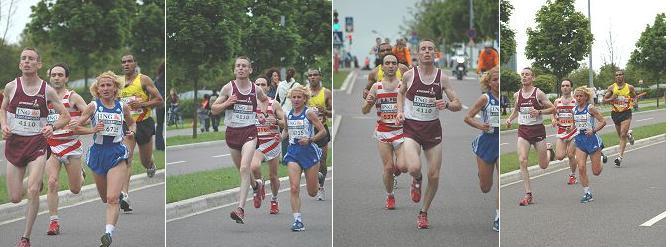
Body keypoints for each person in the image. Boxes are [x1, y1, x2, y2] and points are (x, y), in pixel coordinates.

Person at [1, 48, 70, 247]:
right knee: (14, 197)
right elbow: (3, 109)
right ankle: (35, 181)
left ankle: (25, 238)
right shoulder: (11, 87)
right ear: (19, 64)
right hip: (15, 144)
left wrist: (52, 126)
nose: (27, 62)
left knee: (32, 190)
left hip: (37, 144)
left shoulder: (46, 90)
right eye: (24, 59)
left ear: (39, 64)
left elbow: (65, 116)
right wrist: (4, 125)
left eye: (31, 59)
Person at [396, 40, 462, 229]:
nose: (426, 52)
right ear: (417, 54)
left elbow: (457, 103)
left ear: (435, 54)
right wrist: (400, 111)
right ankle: (416, 180)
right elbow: (400, 93)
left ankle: (423, 212)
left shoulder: (442, 78)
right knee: (414, 167)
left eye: (430, 49)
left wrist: (447, 105)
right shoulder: (410, 75)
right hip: (411, 128)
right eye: (423, 49)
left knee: (434, 175)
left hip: (432, 130)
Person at [78, 71, 136, 247]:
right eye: (102, 85)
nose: (105, 88)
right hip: (98, 154)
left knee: (112, 200)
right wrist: (93, 130)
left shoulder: (122, 106)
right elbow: (78, 127)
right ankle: (117, 193)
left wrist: (132, 131)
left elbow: (132, 122)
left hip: (117, 153)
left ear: (115, 87)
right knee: (105, 197)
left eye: (109, 85)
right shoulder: (93, 106)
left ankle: (108, 234)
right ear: (97, 88)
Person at [211, 56, 269, 224]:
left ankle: (240, 209)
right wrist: (227, 102)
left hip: (249, 132)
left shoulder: (255, 89)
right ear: (234, 69)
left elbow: (264, 100)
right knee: (243, 171)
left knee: (245, 167)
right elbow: (214, 109)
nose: (241, 68)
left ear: (250, 70)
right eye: (238, 66)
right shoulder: (228, 88)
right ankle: (257, 186)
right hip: (232, 133)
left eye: (244, 66)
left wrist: (263, 113)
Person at [44, 63, 87, 236]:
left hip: (71, 146)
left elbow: (88, 112)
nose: (56, 78)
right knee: (52, 181)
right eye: (53, 75)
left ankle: (81, 175)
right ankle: (54, 222)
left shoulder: (73, 97)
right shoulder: (44, 97)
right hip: (51, 145)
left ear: (66, 78)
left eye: (60, 75)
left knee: (75, 189)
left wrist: (80, 121)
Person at [119, 54, 163, 213]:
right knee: (126, 159)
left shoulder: (143, 80)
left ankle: (150, 164)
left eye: (129, 61)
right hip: (127, 124)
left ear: (135, 63)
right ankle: (124, 195)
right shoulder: (118, 83)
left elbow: (159, 100)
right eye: (123, 62)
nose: (126, 64)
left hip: (143, 123)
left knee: (144, 161)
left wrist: (142, 103)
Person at [504, 67, 555, 206]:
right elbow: (516, 110)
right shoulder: (517, 95)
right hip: (523, 131)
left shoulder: (538, 93)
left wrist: (539, 112)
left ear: (533, 77)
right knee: (522, 160)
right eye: (522, 75)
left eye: (527, 75)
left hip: (538, 131)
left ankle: (549, 151)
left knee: (543, 165)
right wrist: (509, 119)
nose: (524, 77)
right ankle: (528, 194)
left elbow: (553, 108)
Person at [362, 55, 406, 210]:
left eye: (394, 63)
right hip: (383, 132)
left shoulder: (403, 85)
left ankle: (399, 168)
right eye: (387, 63)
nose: (391, 66)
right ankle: (390, 196)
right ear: (382, 67)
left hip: (401, 131)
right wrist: (368, 103)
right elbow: (364, 110)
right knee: (388, 168)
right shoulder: (376, 87)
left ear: (398, 66)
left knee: (404, 166)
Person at [282, 85, 327, 231]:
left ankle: (318, 176)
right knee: (294, 188)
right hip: (293, 153)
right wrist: (278, 138)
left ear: (304, 99)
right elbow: (286, 132)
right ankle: (297, 221)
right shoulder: (287, 114)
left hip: (308, 152)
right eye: (293, 97)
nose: (296, 100)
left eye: (299, 97)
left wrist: (310, 139)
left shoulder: (309, 113)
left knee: (312, 192)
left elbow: (323, 131)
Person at [464, 67, 499, 232]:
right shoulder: (485, 98)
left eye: (500, 80)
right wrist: (481, 125)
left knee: (500, 182)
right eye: (495, 80)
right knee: (486, 187)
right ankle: (482, 174)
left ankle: (498, 217)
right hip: (487, 142)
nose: (498, 83)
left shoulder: (506, 98)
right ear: (489, 83)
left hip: (499, 140)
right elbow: (467, 117)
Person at [250, 77, 285, 214]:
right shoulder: (251, 104)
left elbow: (284, 123)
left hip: (272, 141)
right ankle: (259, 183)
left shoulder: (274, 103)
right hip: (257, 142)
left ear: (267, 87)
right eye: (257, 84)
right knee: (254, 166)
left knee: (273, 176)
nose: (259, 86)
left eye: (262, 84)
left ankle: (274, 199)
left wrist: (275, 120)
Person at [571, 86, 606, 203]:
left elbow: (603, 121)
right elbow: (574, 125)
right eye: (577, 96)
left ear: (586, 97)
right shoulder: (574, 110)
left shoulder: (590, 108)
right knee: (581, 167)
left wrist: (593, 130)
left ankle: (601, 157)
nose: (579, 98)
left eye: (581, 96)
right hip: (580, 140)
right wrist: (568, 130)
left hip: (591, 140)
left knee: (596, 172)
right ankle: (587, 193)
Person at [307, 69, 332, 201]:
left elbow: (333, 112)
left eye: (315, 75)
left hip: (322, 130)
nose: (312, 77)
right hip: (307, 130)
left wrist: (326, 112)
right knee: (309, 161)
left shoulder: (326, 93)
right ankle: (312, 182)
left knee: (322, 160)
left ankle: (321, 187)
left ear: (320, 77)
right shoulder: (304, 92)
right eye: (310, 75)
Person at [602, 70, 636, 167]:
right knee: (621, 135)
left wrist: (632, 100)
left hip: (626, 113)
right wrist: (612, 98)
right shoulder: (612, 87)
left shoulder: (629, 87)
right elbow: (604, 100)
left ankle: (619, 158)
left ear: (623, 76)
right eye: (616, 75)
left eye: (620, 74)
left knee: (622, 134)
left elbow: (634, 96)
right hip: (615, 113)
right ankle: (629, 134)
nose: (618, 76)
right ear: (615, 77)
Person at [552, 79, 579, 184]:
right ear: (561, 88)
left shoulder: (576, 101)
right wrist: (553, 119)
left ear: (571, 87)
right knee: (559, 157)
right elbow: (553, 112)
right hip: (562, 131)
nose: (565, 87)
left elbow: (580, 115)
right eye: (563, 86)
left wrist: (573, 125)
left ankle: (572, 176)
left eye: (567, 85)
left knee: (571, 154)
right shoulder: (557, 101)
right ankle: (550, 150)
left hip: (574, 131)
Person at [275, 68, 301, 158]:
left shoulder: (297, 85)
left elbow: (276, 99)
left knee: (292, 134)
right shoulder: (281, 84)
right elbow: (277, 98)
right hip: (284, 112)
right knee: (286, 133)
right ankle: (286, 156)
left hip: (292, 112)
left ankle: (291, 155)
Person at [154, 62, 165, 150]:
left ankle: (159, 145)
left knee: (160, 125)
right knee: (163, 124)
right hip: (165, 103)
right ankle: (161, 144)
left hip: (159, 105)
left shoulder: (158, 79)